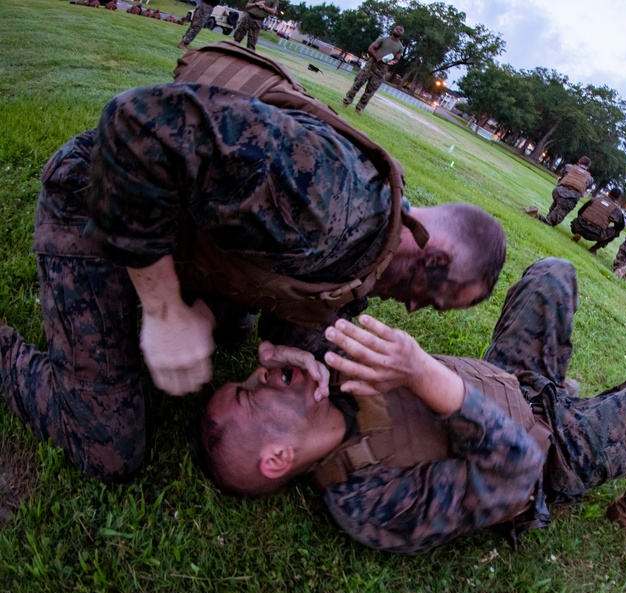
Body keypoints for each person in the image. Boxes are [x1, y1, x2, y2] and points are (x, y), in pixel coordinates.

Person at [0, 81, 506, 484]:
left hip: (193, 233)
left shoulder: (373, 248)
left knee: (237, 331)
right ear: (434, 258)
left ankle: (198, 303)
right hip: (96, 200)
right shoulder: (331, 200)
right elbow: (136, 124)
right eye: (432, 300)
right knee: (107, 445)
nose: (414, 310)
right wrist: (163, 309)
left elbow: (317, 311)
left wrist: (297, 355)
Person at [200, 258, 626, 555]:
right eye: (249, 393)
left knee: (552, 274)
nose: (260, 374)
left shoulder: (330, 382)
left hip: (511, 384)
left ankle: (558, 390)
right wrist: (421, 373)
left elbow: (327, 291)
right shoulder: (367, 502)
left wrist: (287, 349)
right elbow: (514, 472)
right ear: (278, 457)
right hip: (553, 453)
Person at [342, 26, 405, 114]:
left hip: (382, 69)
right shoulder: (383, 39)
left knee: (371, 90)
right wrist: (377, 58)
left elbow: (396, 59)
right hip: (371, 64)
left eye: (400, 30)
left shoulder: (400, 47)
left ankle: (359, 108)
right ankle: (346, 102)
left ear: (402, 33)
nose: (398, 31)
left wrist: (392, 62)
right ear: (393, 30)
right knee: (358, 82)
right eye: (397, 29)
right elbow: (371, 48)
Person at [522, 157, 595, 226]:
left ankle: (549, 215)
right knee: (553, 219)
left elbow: (560, 178)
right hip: (570, 197)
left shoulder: (569, 167)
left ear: (579, 162)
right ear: (588, 166)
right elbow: (583, 192)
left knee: (558, 204)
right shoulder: (590, 178)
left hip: (557, 192)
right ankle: (537, 216)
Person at [570, 188, 625, 254]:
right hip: (594, 234)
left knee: (582, 218)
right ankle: (593, 249)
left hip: (578, 226)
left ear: (609, 193)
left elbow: (580, 211)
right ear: (618, 199)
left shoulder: (595, 199)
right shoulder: (616, 210)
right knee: (616, 232)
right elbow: (620, 227)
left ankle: (578, 233)